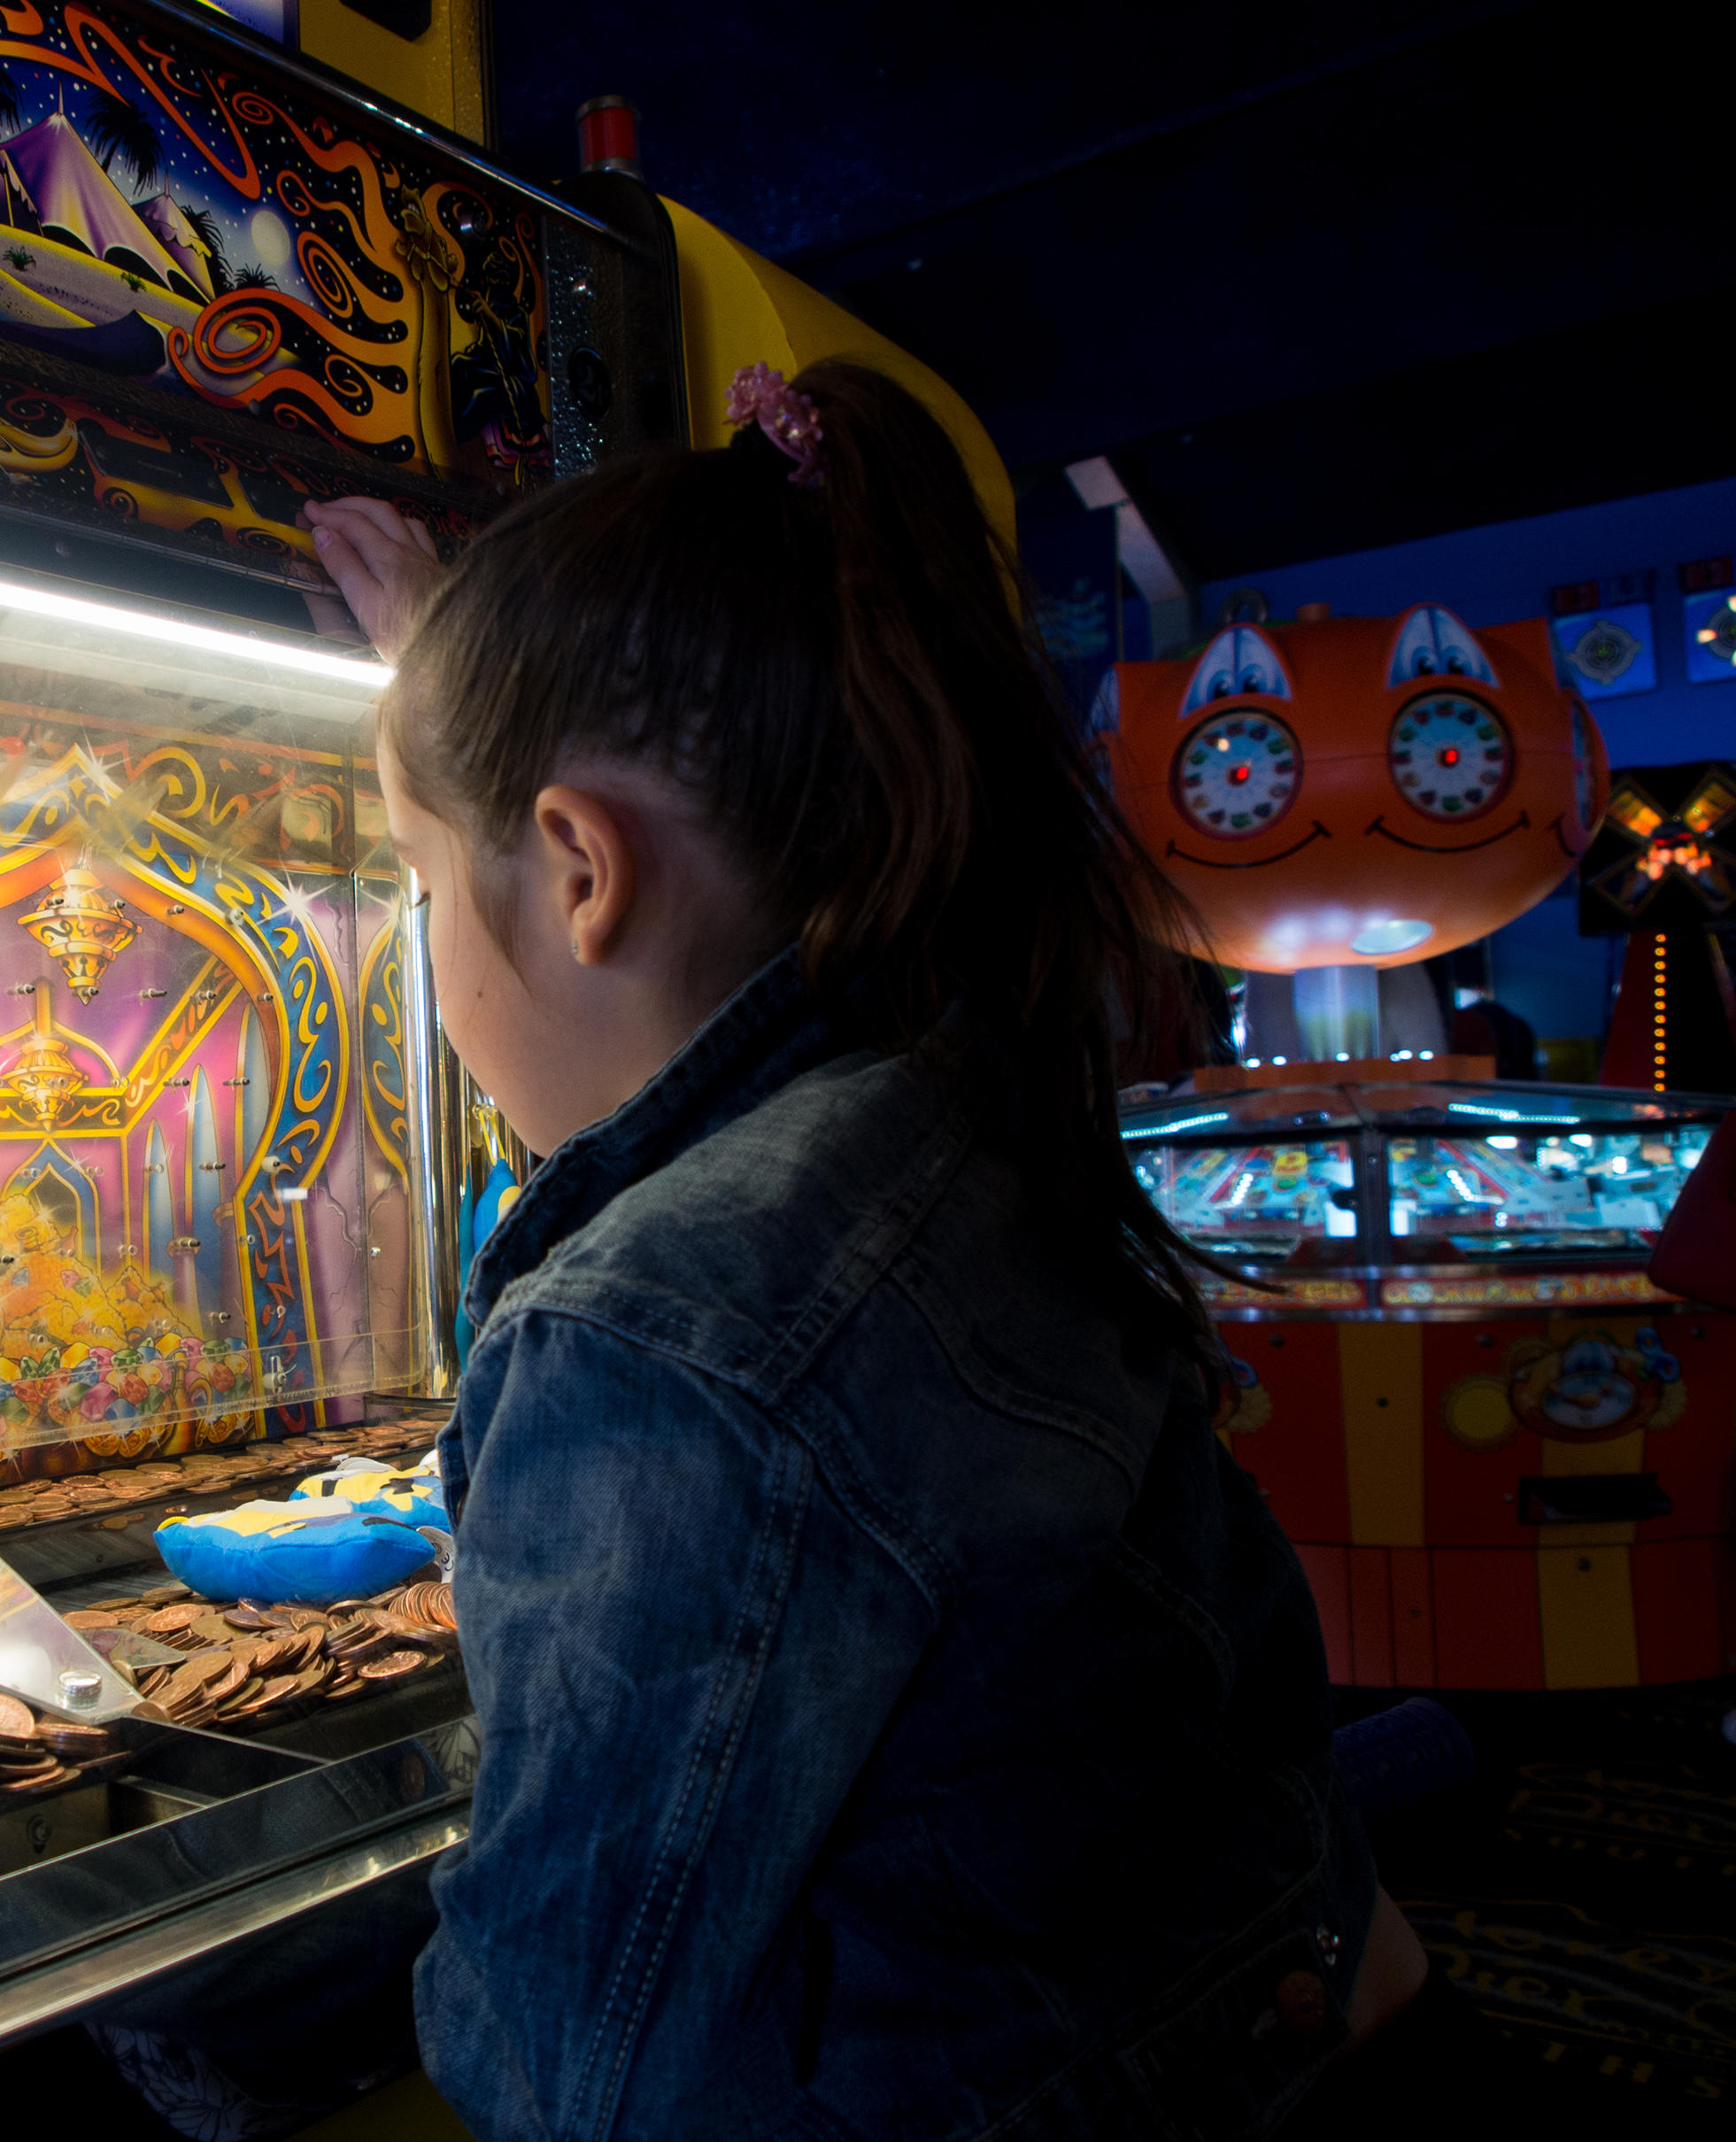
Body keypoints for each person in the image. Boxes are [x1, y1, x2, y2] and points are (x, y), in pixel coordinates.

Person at [295, 363, 1430, 2141]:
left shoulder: (655, 1328)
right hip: (1274, 2014)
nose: (430, 949)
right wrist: (467, 711)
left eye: (423, 878)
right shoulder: (961, 1108)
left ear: (580, 869)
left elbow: (569, 2061)